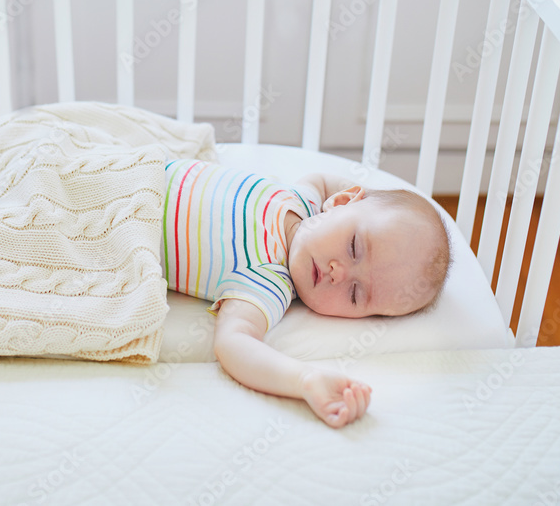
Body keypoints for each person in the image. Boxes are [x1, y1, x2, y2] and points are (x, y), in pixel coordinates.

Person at [161, 159, 451, 428]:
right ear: (340, 202)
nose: (339, 273)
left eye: (355, 294)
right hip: (144, 165)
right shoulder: (305, 200)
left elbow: (234, 342)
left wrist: (304, 379)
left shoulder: (268, 282)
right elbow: (325, 181)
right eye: (353, 247)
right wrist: (365, 197)